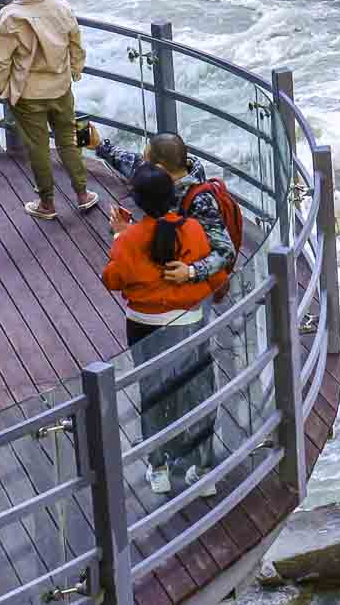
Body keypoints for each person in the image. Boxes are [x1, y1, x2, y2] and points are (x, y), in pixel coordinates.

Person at [102, 163, 227, 496]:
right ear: (173, 197)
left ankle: (158, 468)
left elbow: (113, 279)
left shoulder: (129, 239)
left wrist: (118, 235)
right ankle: (202, 470)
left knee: (153, 393)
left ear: (138, 203)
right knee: (197, 392)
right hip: (189, 322)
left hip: (145, 327)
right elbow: (214, 271)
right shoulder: (194, 232)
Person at [0, 0, 98, 220]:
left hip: (28, 93)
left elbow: (0, 59)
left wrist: (2, 88)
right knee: (68, 138)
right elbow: (75, 42)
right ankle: (83, 194)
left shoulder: (10, 16)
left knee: (37, 147)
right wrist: (75, 70)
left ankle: (47, 204)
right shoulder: (61, 7)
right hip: (60, 86)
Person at [87, 128, 236, 288]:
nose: (141, 166)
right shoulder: (167, 173)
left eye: (145, 161)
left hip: (190, 281)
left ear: (160, 169)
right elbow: (132, 163)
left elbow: (226, 251)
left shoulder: (200, 201)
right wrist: (99, 145)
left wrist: (192, 272)